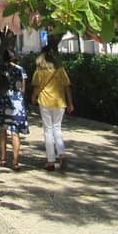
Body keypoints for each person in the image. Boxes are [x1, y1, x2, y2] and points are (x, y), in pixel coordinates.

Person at [31, 43, 74, 171]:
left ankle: (50, 161)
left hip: (45, 101)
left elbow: (37, 87)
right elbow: (67, 87)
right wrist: (70, 103)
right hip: (59, 102)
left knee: (48, 130)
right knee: (57, 128)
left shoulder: (39, 70)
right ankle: (62, 154)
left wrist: (33, 97)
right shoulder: (60, 70)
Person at [0, 49, 29, 169]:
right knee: (15, 133)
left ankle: (3, 159)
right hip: (17, 105)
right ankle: (15, 162)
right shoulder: (20, 69)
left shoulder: (0, 69)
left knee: (3, 131)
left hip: (4, 103)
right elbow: (23, 89)